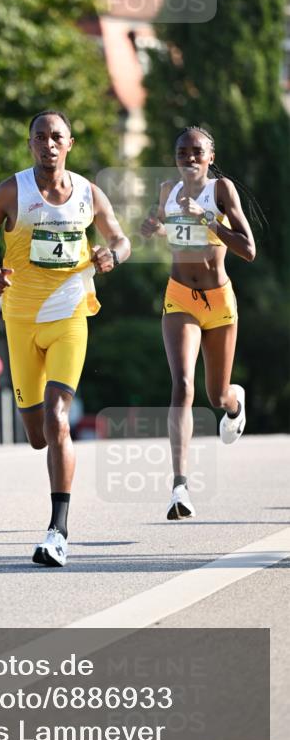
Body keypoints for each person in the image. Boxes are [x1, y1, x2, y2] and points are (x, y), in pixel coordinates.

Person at [0, 109, 130, 567]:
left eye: (56, 136)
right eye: (40, 137)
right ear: (30, 144)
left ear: (70, 143)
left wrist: (110, 256)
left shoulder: (88, 194)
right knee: (38, 435)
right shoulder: (10, 191)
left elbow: (121, 239)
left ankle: (58, 531)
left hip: (69, 316)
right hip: (19, 320)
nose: (49, 144)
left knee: (59, 419)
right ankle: (56, 515)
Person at [141, 126, 257, 520]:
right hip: (179, 297)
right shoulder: (166, 192)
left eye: (196, 151)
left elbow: (248, 249)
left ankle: (234, 404)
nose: (188, 158)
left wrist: (208, 217)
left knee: (216, 395)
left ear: (210, 156)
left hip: (219, 301)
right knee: (183, 385)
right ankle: (179, 486)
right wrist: (154, 229)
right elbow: (173, 235)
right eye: (181, 152)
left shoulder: (221, 190)